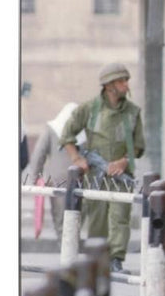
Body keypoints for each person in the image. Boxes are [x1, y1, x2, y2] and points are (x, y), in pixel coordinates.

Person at [59, 62, 145, 273]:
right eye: (121, 81)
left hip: (121, 174)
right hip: (95, 174)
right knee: (97, 218)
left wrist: (124, 161)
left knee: (120, 219)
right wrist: (77, 158)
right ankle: (95, 259)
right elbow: (66, 135)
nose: (126, 84)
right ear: (108, 85)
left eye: (126, 80)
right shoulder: (88, 109)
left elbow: (139, 146)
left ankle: (115, 260)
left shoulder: (133, 112)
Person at [27, 102, 79, 242]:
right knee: (76, 221)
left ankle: (66, 256)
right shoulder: (84, 132)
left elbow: (38, 155)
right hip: (82, 182)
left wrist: (34, 179)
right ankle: (73, 252)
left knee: (60, 221)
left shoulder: (52, 129)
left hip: (57, 182)